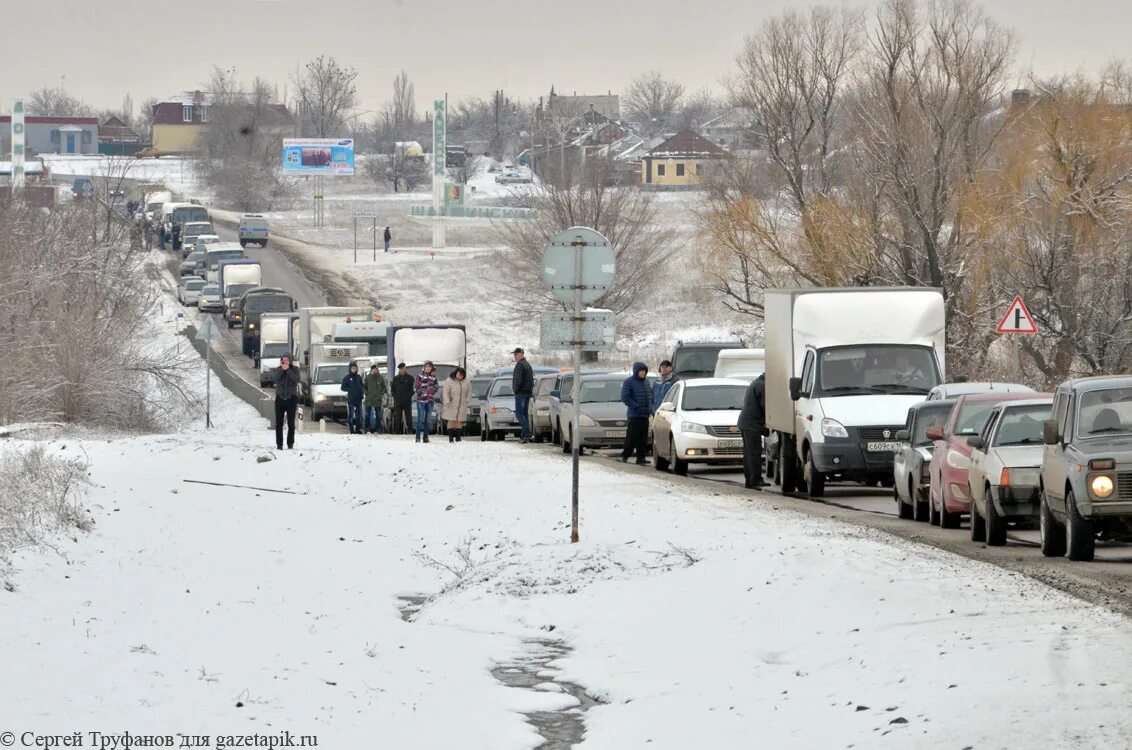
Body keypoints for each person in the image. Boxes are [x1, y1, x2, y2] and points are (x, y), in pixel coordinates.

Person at [737, 373, 768, 489]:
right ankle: (756, 479)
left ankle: (749, 479)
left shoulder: (755, 383)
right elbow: (765, 406)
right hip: (752, 424)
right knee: (754, 452)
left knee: (748, 453)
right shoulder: (762, 385)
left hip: (746, 422)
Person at [620, 362, 653, 465]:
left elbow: (650, 396)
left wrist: (650, 408)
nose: (643, 373)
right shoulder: (629, 382)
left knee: (643, 439)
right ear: (636, 371)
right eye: (641, 371)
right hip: (634, 415)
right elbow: (625, 397)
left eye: (644, 371)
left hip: (645, 415)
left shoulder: (646, 382)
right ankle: (626, 455)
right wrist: (636, 406)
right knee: (632, 437)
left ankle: (641, 457)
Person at [273, 354, 300, 450]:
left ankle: (290, 443)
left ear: (290, 361)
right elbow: (275, 379)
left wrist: (288, 370)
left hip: (291, 398)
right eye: (283, 360)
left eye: (287, 360)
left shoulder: (295, 369)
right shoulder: (278, 369)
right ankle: (279, 444)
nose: (285, 362)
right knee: (278, 423)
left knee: (291, 423)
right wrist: (282, 369)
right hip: (280, 398)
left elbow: (296, 380)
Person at [443, 366, 472, 443]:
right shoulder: (449, 381)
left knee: (459, 420)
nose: (460, 377)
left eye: (462, 375)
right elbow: (445, 392)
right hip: (451, 403)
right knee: (451, 420)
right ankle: (450, 437)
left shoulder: (467, 382)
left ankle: (458, 437)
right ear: (456, 373)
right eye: (459, 374)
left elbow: (469, 392)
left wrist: (467, 399)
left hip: (462, 404)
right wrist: (447, 401)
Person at [511, 348, 535, 443]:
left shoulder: (520, 365)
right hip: (527, 393)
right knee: (524, 415)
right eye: (514, 354)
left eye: (516, 354)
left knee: (519, 414)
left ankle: (528, 434)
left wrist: (516, 390)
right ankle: (525, 435)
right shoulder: (527, 364)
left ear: (521, 354)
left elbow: (518, 380)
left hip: (521, 393)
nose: (515, 356)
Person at [414, 361, 439, 443]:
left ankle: (425, 437)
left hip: (430, 401)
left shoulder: (434, 378)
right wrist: (421, 391)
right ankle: (417, 437)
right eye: (426, 367)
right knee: (420, 420)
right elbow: (415, 388)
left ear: (431, 368)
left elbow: (436, 387)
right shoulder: (419, 376)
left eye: (429, 367)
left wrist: (432, 391)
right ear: (424, 368)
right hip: (421, 401)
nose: (428, 368)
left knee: (427, 421)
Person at [341, 362, 365, 435]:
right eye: (352, 368)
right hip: (351, 399)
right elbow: (342, 387)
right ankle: (352, 430)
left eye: (355, 368)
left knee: (359, 416)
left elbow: (362, 386)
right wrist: (349, 389)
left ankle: (358, 429)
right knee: (351, 416)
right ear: (350, 369)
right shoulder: (347, 378)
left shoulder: (358, 377)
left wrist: (362, 394)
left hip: (358, 399)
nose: (354, 369)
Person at [390, 363, 414, 435]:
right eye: (401, 369)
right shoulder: (395, 378)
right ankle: (397, 431)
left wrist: (409, 396)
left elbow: (413, 389)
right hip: (398, 401)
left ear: (405, 369)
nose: (402, 370)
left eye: (403, 369)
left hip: (407, 401)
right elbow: (393, 389)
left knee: (408, 417)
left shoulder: (410, 378)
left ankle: (410, 430)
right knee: (398, 417)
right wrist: (395, 396)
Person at [363, 364, 388, 434]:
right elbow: (363, 387)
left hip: (378, 400)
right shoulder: (368, 377)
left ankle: (378, 429)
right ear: (371, 370)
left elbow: (384, 387)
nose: (375, 370)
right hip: (369, 400)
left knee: (378, 415)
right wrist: (366, 392)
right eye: (374, 369)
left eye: (376, 369)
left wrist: (382, 393)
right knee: (367, 415)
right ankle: (366, 429)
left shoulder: (380, 377)